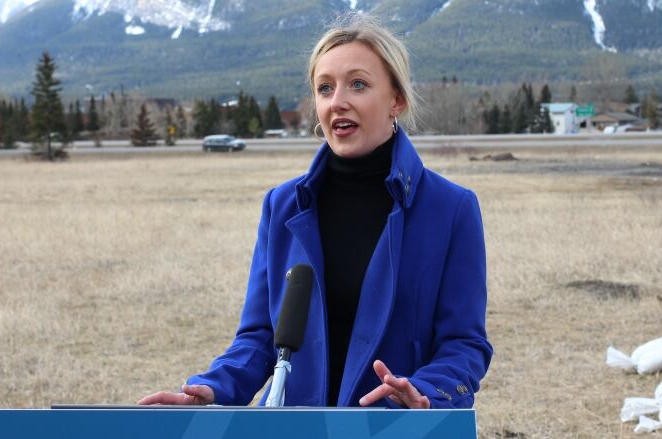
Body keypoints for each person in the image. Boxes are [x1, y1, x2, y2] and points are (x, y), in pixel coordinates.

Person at [139, 13, 492, 409]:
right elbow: (258, 338)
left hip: (394, 429)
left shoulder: (452, 209)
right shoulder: (282, 205)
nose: (337, 101)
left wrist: (423, 391)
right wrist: (214, 386)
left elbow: (465, 345)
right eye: (325, 88)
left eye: (357, 84)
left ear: (397, 99)